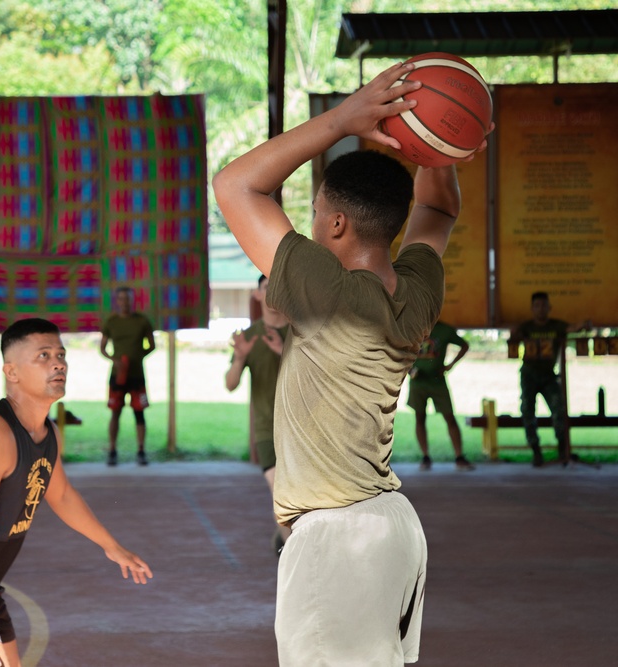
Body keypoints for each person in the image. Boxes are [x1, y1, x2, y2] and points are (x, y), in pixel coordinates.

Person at [214, 60, 491, 665]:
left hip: (340, 537)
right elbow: (438, 211)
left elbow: (235, 185)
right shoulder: (415, 289)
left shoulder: (328, 292)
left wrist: (345, 119)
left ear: (336, 223)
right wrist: (442, 141)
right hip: (391, 529)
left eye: (314, 214)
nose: (309, 226)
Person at [0, 317, 152, 666]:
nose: (58, 363)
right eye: (43, 355)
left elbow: (61, 495)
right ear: (12, 372)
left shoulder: (47, 433)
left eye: (61, 355)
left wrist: (112, 547)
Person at [225, 274, 290, 551]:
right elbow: (230, 384)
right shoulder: (248, 337)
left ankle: (285, 539)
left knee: (304, 501)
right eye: (268, 288)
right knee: (280, 496)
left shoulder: (302, 333)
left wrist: (284, 352)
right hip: (267, 429)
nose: (273, 294)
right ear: (257, 294)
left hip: (304, 430)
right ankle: (290, 554)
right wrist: (240, 358)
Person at [508, 292, 589, 467]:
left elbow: (572, 329)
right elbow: (513, 338)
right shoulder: (527, 327)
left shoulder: (556, 326)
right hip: (529, 374)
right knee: (527, 410)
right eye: (537, 306)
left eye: (544, 305)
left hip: (549, 375)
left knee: (559, 409)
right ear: (532, 309)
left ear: (549, 307)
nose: (541, 309)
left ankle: (562, 449)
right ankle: (536, 451)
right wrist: (514, 334)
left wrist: (584, 325)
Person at [99, 287, 156, 466]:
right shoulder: (111, 321)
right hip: (117, 376)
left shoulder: (142, 321)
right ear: (117, 301)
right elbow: (102, 348)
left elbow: (152, 345)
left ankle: (141, 451)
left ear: (133, 300)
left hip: (137, 376)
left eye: (127, 299)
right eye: (121, 299)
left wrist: (139, 356)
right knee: (115, 412)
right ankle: (112, 450)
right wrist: (114, 360)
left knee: (139, 413)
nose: (124, 302)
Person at [408, 321, 474, 471]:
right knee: (419, 417)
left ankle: (459, 457)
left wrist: (450, 366)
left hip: (438, 381)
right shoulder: (411, 326)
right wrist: (409, 370)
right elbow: (399, 350)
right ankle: (425, 456)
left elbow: (464, 345)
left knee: (449, 416)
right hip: (418, 382)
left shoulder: (445, 329)